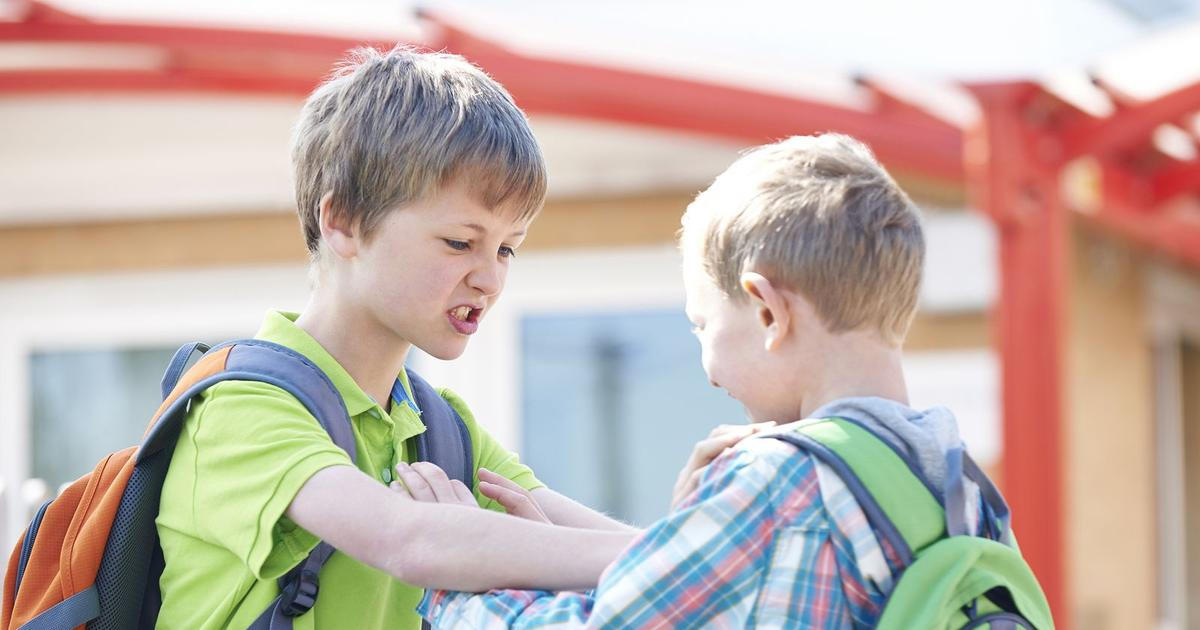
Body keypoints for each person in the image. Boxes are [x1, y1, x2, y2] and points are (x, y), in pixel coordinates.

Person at [418, 133, 998, 628]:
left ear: (768, 311)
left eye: (704, 326)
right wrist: (678, 537)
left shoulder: (780, 481)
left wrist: (460, 571)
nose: (709, 371)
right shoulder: (959, 486)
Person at [153, 45, 643, 630]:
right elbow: (408, 541)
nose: (490, 278)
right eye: (460, 242)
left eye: (507, 247)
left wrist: (711, 547)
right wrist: (675, 559)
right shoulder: (239, 405)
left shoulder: (439, 431)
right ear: (343, 222)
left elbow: (595, 539)